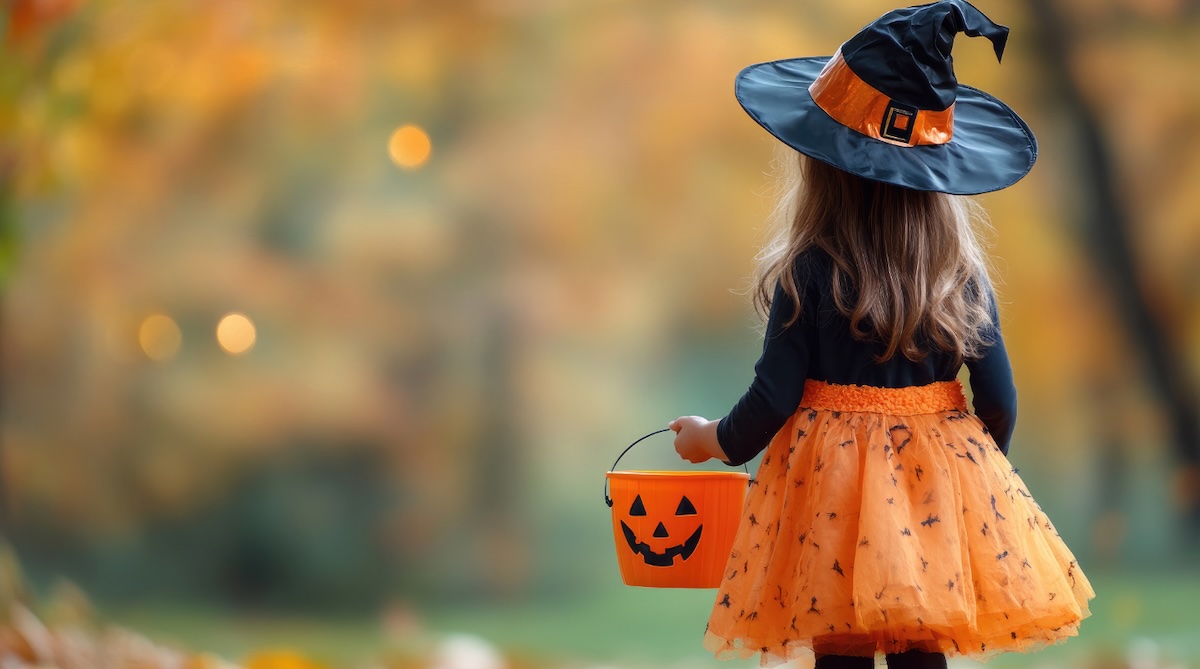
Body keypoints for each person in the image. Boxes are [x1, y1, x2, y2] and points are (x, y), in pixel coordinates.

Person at [667, 2, 1095, 668]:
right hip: (933, 492)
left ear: (820, 166)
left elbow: (774, 396)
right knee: (921, 645)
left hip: (827, 500)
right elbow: (1000, 398)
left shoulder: (811, 271)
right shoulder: (961, 280)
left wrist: (714, 439)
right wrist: (973, 482)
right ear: (937, 185)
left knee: (840, 641)